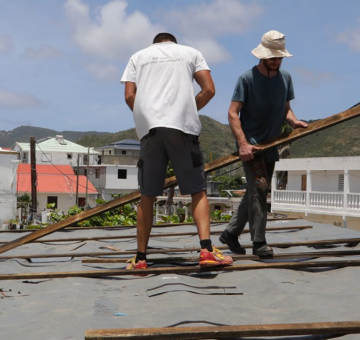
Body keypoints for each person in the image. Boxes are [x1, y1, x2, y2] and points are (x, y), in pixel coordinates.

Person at [121, 32, 233, 269]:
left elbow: (130, 95)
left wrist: (147, 115)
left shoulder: (137, 57)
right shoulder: (191, 53)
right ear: (173, 42)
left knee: (147, 195)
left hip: (150, 131)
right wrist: (188, 110)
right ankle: (206, 250)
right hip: (182, 129)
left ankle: (140, 259)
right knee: (197, 190)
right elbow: (209, 89)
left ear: (155, 44)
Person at [219, 30, 307, 257]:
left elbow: (285, 109)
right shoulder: (246, 79)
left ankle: (230, 233)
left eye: (279, 58)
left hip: (272, 146)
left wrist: (294, 121)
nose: (276, 61)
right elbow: (232, 113)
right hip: (252, 146)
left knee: (255, 190)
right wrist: (243, 144)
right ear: (262, 56)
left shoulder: (285, 78)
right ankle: (259, 242)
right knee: (260, 187)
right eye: (272, 58)